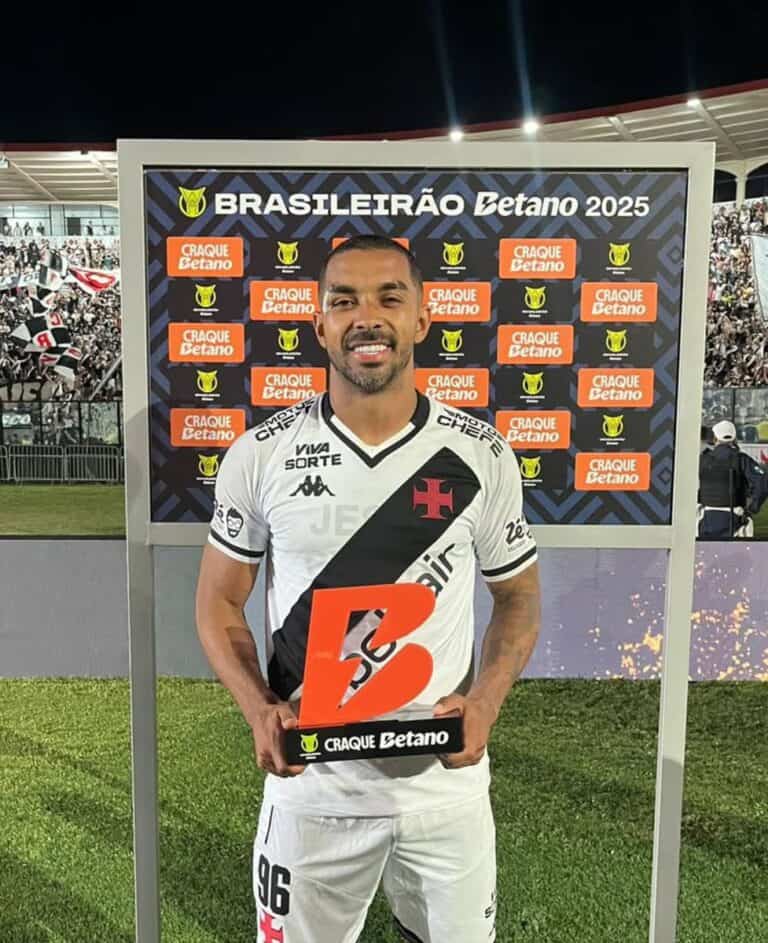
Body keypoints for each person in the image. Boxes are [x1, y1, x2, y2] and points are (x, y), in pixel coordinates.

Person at [195, 235, 541, 943]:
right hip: (314, 791)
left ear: (422, 318)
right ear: (318, 324)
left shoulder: (479, 453)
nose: (366, 316)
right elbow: (217, 601)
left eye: (390, 295)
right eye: (343, 299)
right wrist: (259, 708)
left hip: (443, 791)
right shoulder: (262, 453)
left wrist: (484, 703)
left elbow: (520, 597)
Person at [697, 419, 768, 538]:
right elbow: (763, 483)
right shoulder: (741, 459)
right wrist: (752, 508)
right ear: (734, 438)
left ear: (715, 438)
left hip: (706, 518)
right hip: (735, 518)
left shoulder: (703, 460)